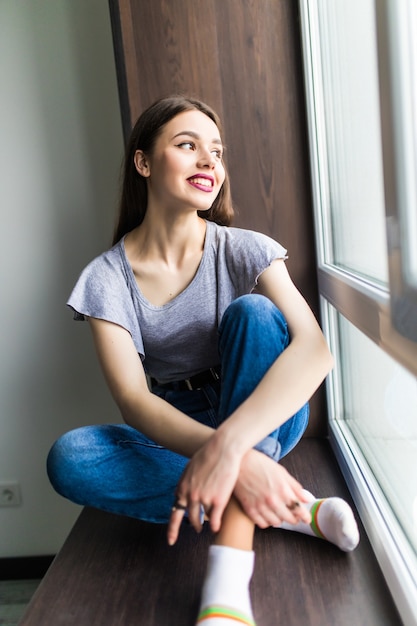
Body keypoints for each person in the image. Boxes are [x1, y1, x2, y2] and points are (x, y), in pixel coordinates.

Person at [47, 95, 359, 626]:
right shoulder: (106, 278)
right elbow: (133, 399)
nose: (209, 161)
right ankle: (289, 507)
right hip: (177, 424)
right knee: (70, 457)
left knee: (256, 315)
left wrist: (232, 445)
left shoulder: (243, 248)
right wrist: (229, 453)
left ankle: (227, 582)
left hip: (265, 409)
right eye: (187, 145)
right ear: (144, 162)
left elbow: (314, 348)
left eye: (216, 151)